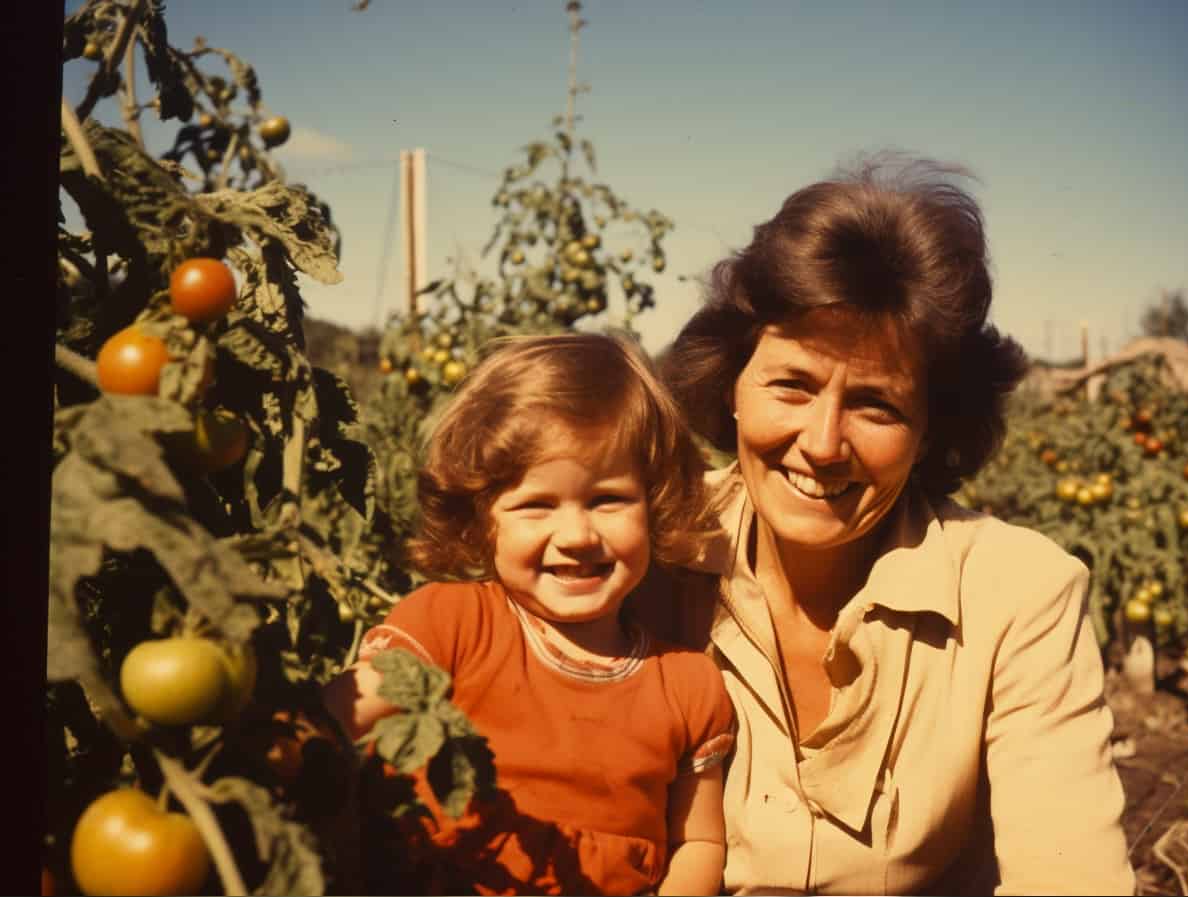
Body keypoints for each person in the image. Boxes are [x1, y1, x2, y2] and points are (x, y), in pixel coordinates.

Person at [643, 153, 1137, 895]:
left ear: (930, 430)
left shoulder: (1020, 595)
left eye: (876, 404)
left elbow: (1070, 878)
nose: (821, 442)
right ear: (732, 385)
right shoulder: (648, 552)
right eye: (792, 385)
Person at [324, 332, 735, 896]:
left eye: (607, 499)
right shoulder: (452, 626)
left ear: (656, 502)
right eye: (536, 505)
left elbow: (699, 842)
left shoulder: (689, 683)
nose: (577, 536)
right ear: (481, 519)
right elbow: (335, 718)